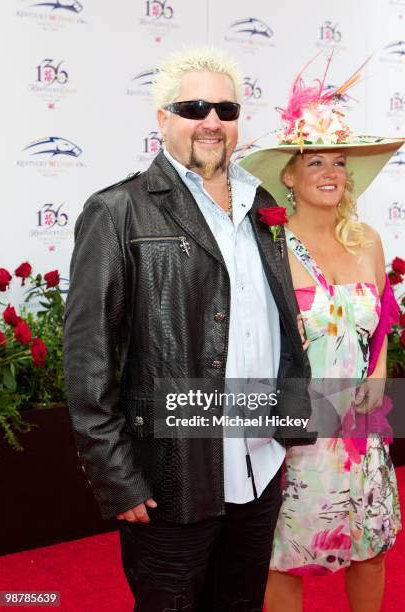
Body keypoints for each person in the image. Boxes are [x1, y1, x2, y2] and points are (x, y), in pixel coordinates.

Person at [63, 47, 313, 612]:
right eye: (194, 106)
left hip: (259, 465)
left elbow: (279, 329)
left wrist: (290, 424)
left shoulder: (261, 203)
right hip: (173, 473)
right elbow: (88, 357)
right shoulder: (119, 210)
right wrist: (116, 476)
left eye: (225, 109)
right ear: (163, 119)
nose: (212, 122)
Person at [241, 61, 404, 612]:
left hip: (361, 429)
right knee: (284, 557)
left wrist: (379, 375)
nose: (331, 171)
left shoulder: (368, 241)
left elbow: (381, 323)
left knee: (371, 551)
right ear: (289, 174)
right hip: (296, 434)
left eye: (339, 161)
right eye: (316, 161)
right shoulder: (267, 248)